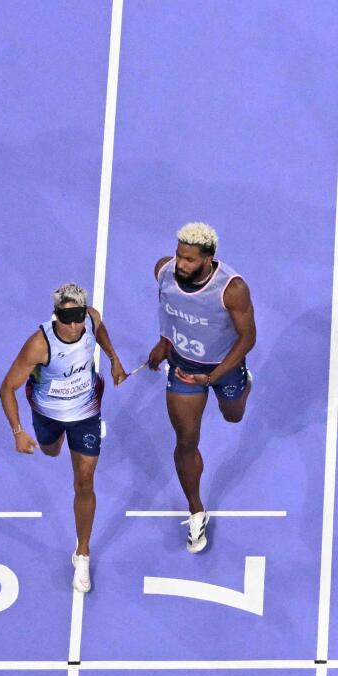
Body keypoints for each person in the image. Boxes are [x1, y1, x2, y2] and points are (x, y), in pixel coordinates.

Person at [0, 284, 129, 592]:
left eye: (79, 318)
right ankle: (51, 441)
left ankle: (82, 552)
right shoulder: (38, 345)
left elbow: (101, 333)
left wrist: (114, 360)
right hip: (47, 415)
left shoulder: (91, 321)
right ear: (56, 315)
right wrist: (18, 432)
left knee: (84, 481)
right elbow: (7, 388)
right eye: (67, 319)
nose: (74, 327)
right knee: (51, 451)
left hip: (85, 414)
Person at [145, 222, 255, 554]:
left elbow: (248, 338)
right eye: (180, 255)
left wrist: (213, 376)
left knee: (233, 416)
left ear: (209, 258)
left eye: (190, 259)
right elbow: (168, 308)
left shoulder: (231, 289)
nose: (181, 264)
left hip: (223, 368)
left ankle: (242, 387)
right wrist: (164, 341)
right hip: (183, 367)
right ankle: (196, 511)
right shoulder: (164, 271)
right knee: (186, 441)